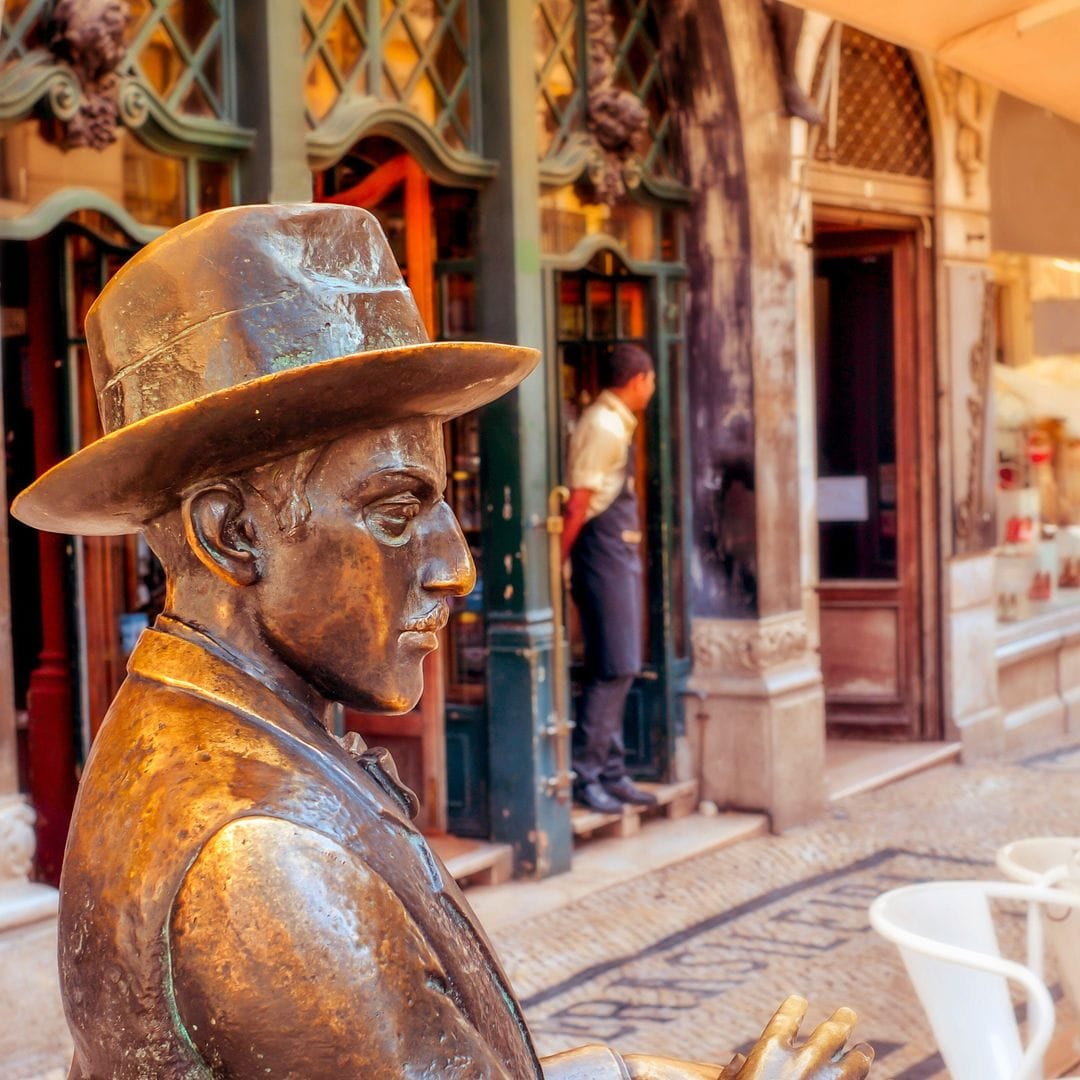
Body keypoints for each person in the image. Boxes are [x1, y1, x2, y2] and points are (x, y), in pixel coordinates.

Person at [13, 204, 872, 1080]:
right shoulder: (264, 864)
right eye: (396, 509)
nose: (456, 567)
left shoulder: (207, 731)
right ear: (234, 534)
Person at [562, 344, 658, 813]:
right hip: (601, 550)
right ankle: (588, 773)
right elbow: (579, 501)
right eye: (652, 380)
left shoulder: (615, 421)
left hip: (616, 551)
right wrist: (560, 555)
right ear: (638, 379)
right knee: (616, 664)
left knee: (618, 663)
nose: (653, 389)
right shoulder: (602, 425)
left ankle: (612, 770)